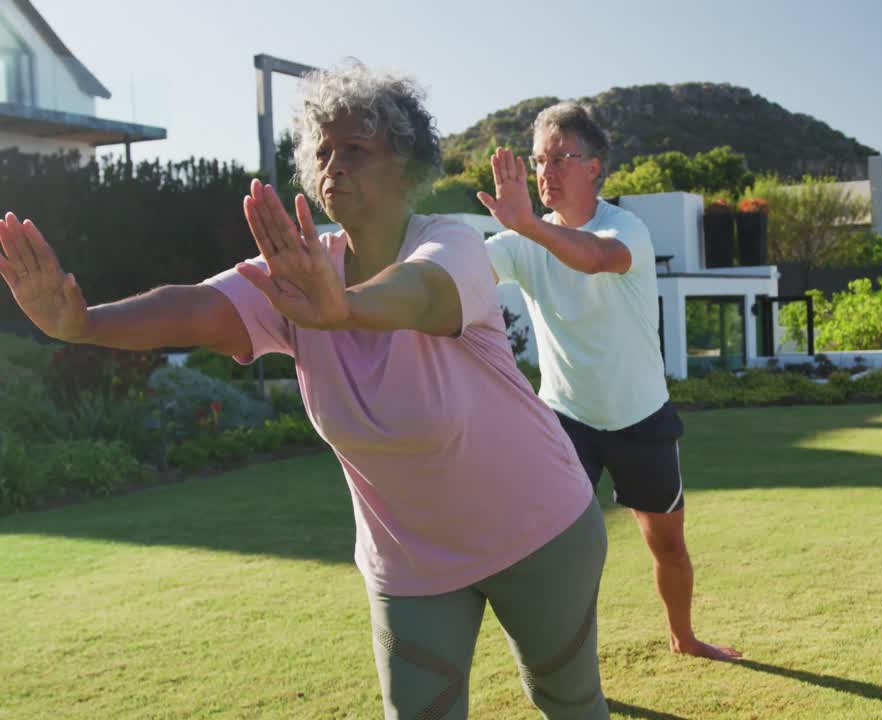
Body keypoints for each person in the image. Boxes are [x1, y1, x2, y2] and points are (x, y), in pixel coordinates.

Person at [0, 64, 609, 720]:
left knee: (567, 703)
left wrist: (341, 308)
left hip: (538, 527)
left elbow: (421, 293)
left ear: (406, 167)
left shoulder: (451, 242)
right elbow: (199, 307)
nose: (333, 164)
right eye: (323, 151)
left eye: (356, 149)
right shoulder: (301, 275)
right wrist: (84, 324)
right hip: (411, 563)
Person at [479, 101, 741, 662]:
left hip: (640, 417)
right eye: (538, 160)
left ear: (594, 167)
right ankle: (561, 667)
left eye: (559, 159)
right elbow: (456, 272)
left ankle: (684, 637)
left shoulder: (626, 229)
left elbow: (597, 258)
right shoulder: (521, 241)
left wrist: (527, 226)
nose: (545, 171)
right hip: (566, 419)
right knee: (556, 551)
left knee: (666, 544)